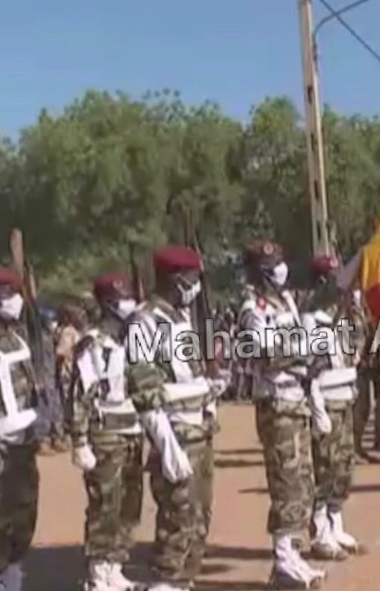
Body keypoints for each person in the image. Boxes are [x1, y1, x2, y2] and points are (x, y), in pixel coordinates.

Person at [125, 246, 220, 591]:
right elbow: (144, 388)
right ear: (173, 280)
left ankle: (181, 581)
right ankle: (165, 582)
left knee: (198, 516)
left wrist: (209, 389)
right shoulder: (143, 321)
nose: (196, 287)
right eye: (191, 280)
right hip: (174, 431)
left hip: (198, 428)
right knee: (178, 516)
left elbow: (184, 375)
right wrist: (165, 446)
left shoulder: (179, 319)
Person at [241, 240, 326, 590]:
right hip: (276, 401)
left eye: (280, 261)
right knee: (286, 482)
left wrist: (305, 355)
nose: (280, 268)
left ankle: (292, 552)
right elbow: (264, 352)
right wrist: (302, 353)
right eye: (272, 264)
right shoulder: (253, 308)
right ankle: (282, 560)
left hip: (297, 398)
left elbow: (303, 346)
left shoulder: (287, 301)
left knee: (303, 481)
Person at [69, 273, 144, 591]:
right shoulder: (93, 343)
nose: (128, 304)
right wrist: (79, 440)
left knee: (130, 503)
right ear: (107, 305)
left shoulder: (133, 339)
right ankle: (98, 573)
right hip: (105, 434)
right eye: (121, 300)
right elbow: (79, 395)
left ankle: (116, 565)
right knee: (105, 505)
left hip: (133, 431)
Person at [0, 268, 41, 591]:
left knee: (23, 519)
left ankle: (11, 579)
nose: (15, 301)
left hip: (23, 445)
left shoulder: (16, 338)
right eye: (6, 295)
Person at [303, 255, 365, 561]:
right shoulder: (311, 320)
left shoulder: (340, 318)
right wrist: (317, 411)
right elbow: (308, 371)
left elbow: (358, 348)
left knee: (343, 468)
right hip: (326, 401)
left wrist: (354, 311)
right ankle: (320, 532)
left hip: (345, 399)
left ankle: (336, 523)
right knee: (323, 470)